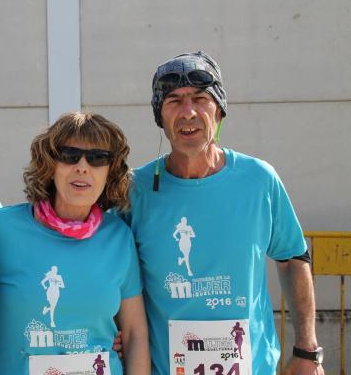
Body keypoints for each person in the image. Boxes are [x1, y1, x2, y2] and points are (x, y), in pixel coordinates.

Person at [122, 52, 324, 374]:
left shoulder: (258, 179)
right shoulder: (135, 190)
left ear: (219, 110)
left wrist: (307, 349)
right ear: (159, 116)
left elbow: (293, 258)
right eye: (174, 100)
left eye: (200, 98)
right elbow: (113, 275)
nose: (188, 112)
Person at [0, 112, 150, 374]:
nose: (82, 166)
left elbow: (134, 334)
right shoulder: (3, 228)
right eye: (69, 155)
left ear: (110, 171)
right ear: (50, 165)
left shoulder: (119, 236)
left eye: (97, 158)